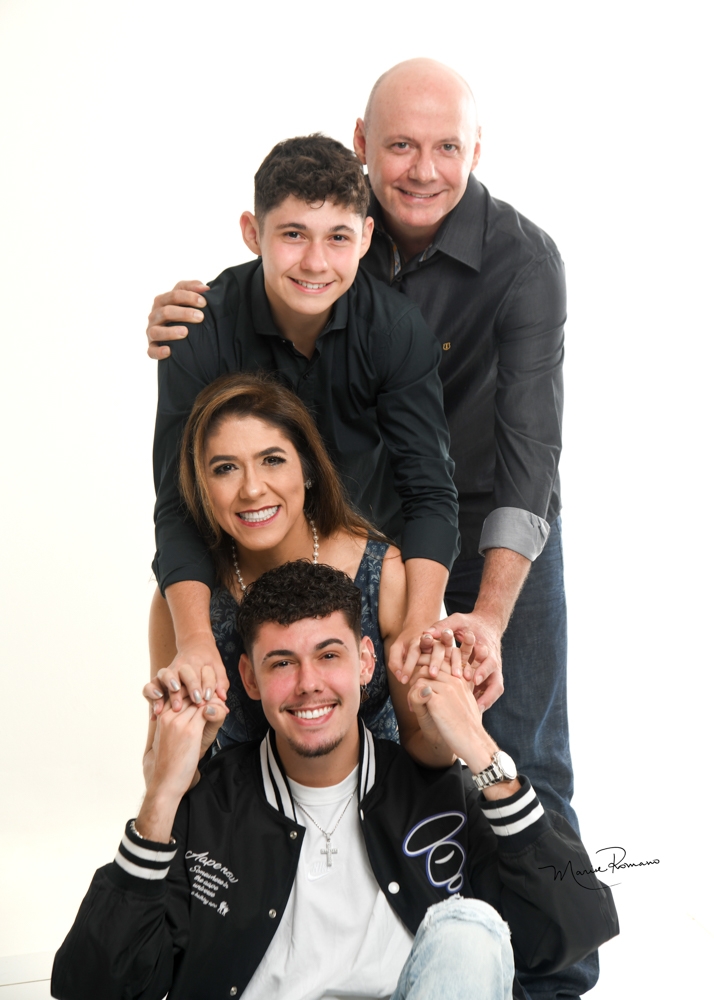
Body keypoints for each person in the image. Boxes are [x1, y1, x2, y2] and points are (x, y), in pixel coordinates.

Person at [145, 60, 583, 998]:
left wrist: (461, 620)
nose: (423, 168)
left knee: (514, 747)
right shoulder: (308, 254)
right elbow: (192, 493)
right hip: (356, 532)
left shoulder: (518, 263)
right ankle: (301, 942)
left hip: (492, 520)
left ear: (477, 150)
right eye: (400, 146)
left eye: (446, 147)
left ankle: (546, 976)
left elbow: (521, 460)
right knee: (313, 747)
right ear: (363, 148)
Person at [52, 561, 618, 1000]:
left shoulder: (433, 791)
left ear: (366, 662)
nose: (308, 684)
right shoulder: (210, 807)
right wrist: (161, 798)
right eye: (281, 663)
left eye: (328, 655)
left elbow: (574, 928)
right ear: (248, 677)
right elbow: (92, 988)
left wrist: (479, 748)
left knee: (469, 932)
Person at [149, 132, 464, 731]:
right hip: (237, 578)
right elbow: (178, 502)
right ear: (252, 232)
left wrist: (419, 621)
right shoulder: (199, 329)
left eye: (338, 237)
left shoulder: (394, 329)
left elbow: (429, 491)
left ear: (365, 237)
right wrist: (194, 641)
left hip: (369, 580)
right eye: (293, 234)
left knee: (410, 743)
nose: (316, 262)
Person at [146, 370, 465, 768]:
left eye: (272, 460)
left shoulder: (384, 575)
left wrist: (451, 725)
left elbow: (425, 747)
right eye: (225, 468)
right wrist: (180, 746)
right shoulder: (184, 601)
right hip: (237, 805)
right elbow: (162, 768)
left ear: (308, 469)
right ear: (201, 488)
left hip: (377, 798)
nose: (252, 489)